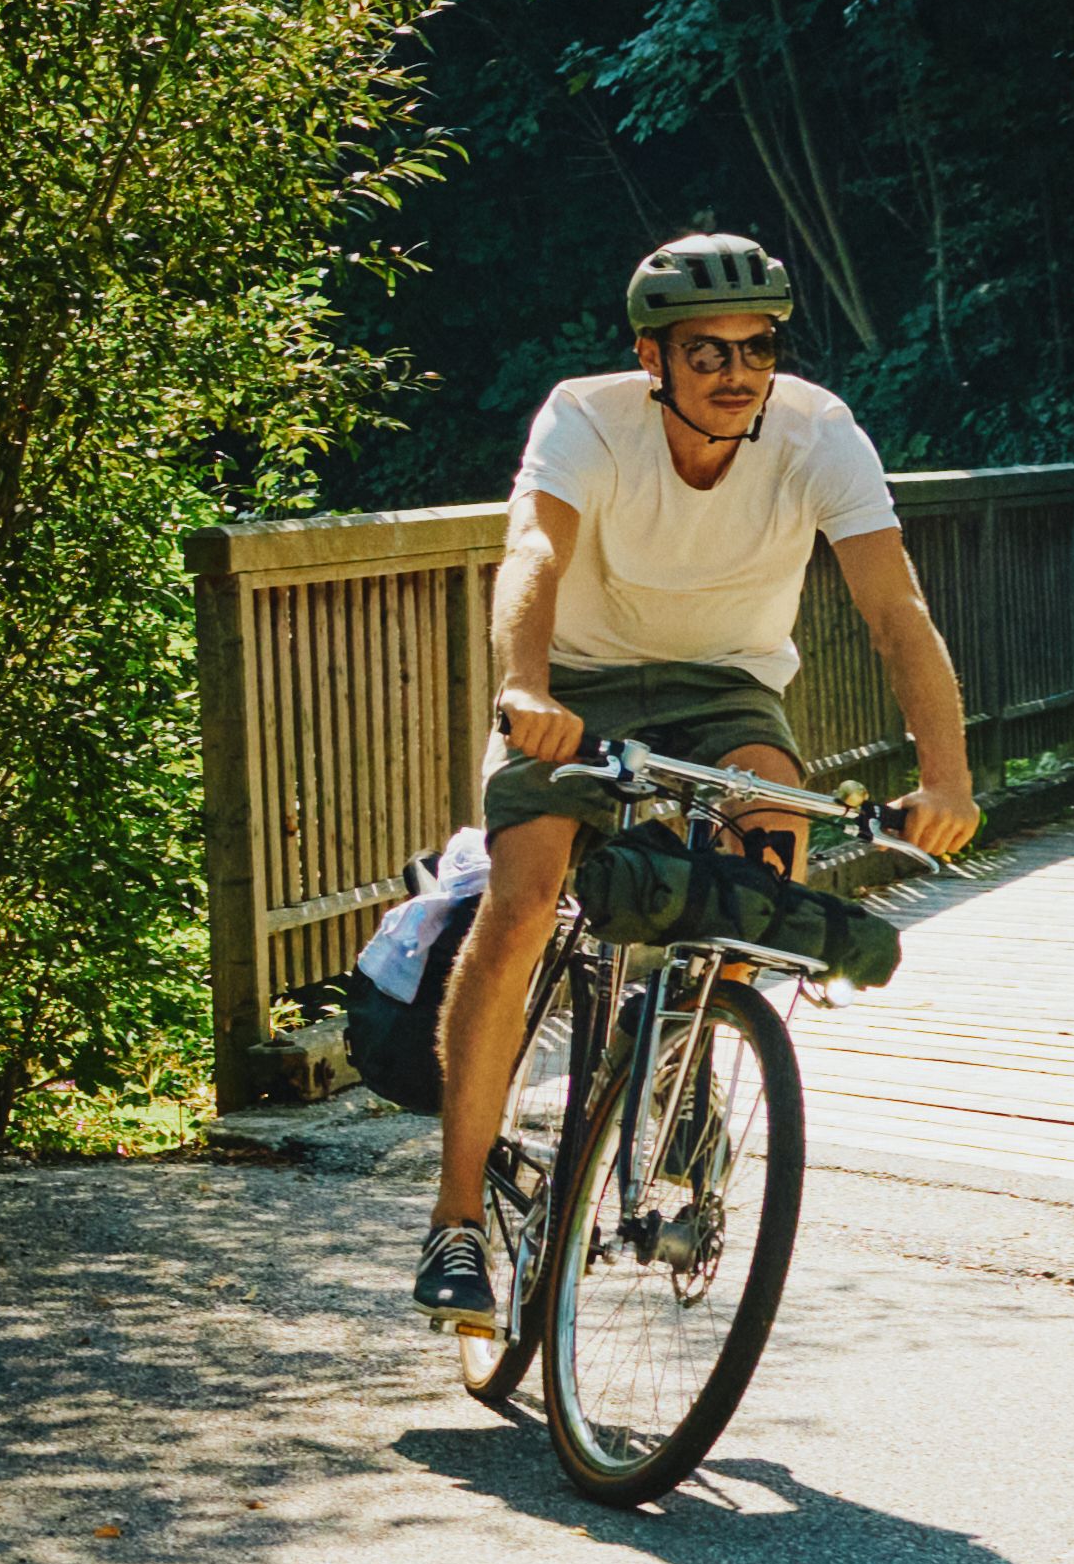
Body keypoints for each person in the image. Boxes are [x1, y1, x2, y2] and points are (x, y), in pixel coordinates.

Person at [414, 231, 984, 1321]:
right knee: (525, 899)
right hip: (574, 686)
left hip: (725, 689)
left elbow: (891, 608)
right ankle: (451, 1225)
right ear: (652, 358)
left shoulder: (819, 433)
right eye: (705, 350)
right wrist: (523, 688)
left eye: (755, 345)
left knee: (763, 869)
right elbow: (530, 550)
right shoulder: (586, 417)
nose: (735, 372)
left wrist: (944, 773)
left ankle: (666, 1053)